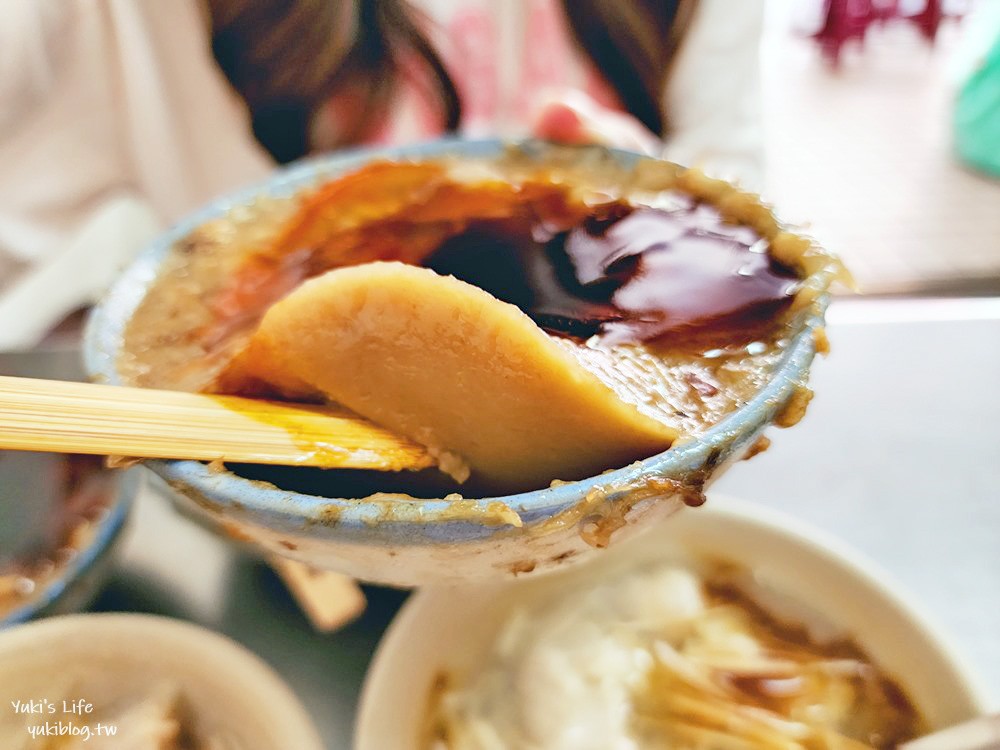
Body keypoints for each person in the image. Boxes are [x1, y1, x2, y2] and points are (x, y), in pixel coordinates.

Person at [0, 0, 764, 349]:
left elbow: (747, 214)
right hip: (289, 499)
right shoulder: (121, 19)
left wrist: (675, 217)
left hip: (616, 492)